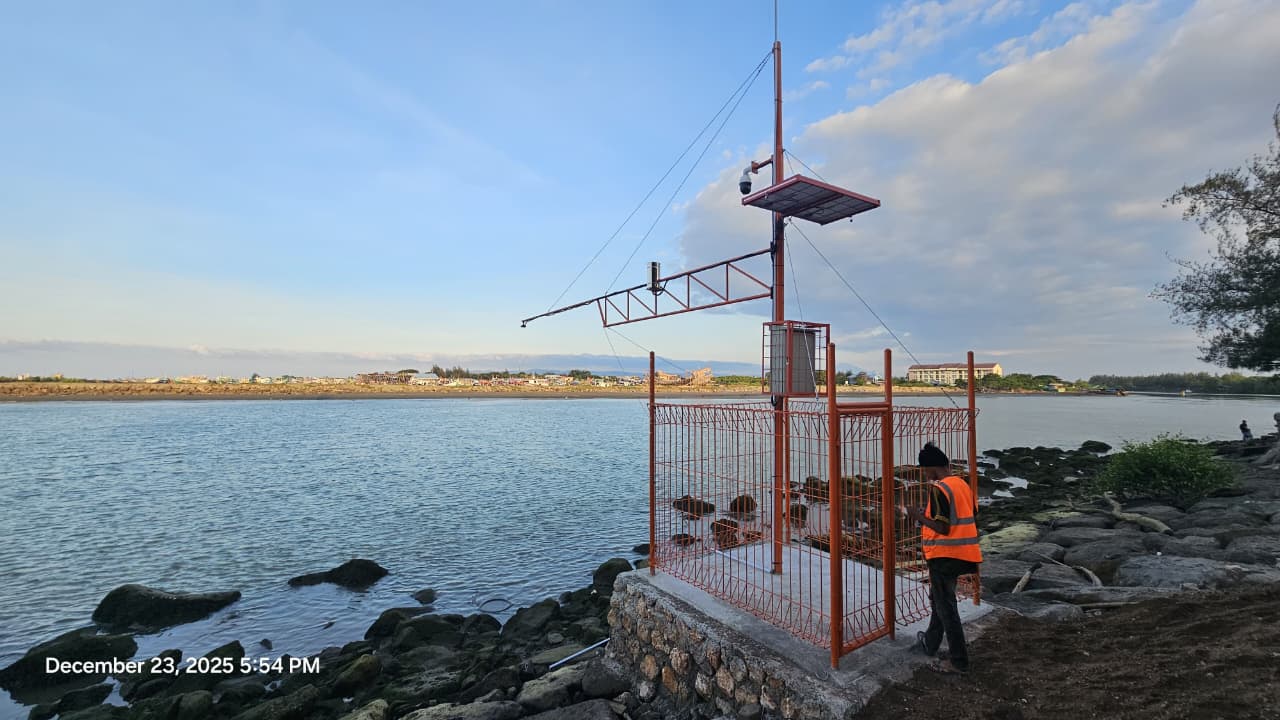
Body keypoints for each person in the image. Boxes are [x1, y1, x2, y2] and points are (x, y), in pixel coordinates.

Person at [905, 442, 982, 674]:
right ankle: (930, 642)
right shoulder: (961, 484)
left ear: (931, 468)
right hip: (966, 553)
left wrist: (917, 515)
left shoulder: (939, 488)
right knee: (939, 600)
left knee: (946, 608)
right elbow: (973, 513)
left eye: (924, 470)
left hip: (945, 555)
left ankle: (959, 661)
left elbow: (943, 527)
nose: (924, 474)